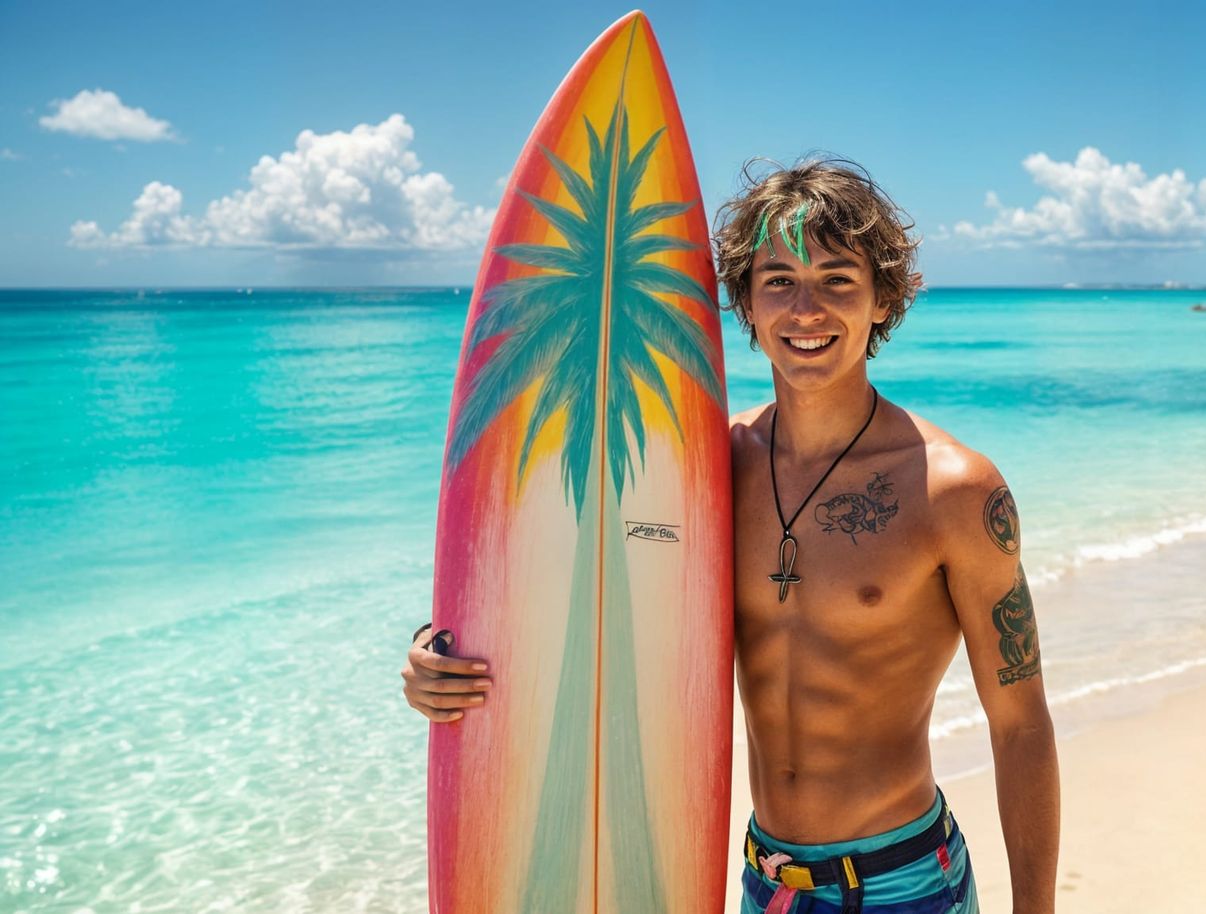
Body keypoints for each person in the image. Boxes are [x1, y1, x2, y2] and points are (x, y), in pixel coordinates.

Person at [402, 158, 1059, 913]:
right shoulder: (706, 474)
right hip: (761, 883)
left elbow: (1021, 727)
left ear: (883, 301)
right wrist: (445, 652)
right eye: (778, 279)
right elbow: (577, 587)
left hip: (902, 881)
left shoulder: (953, 490)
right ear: (746, 302)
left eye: (838, 280)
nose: (805, 309)